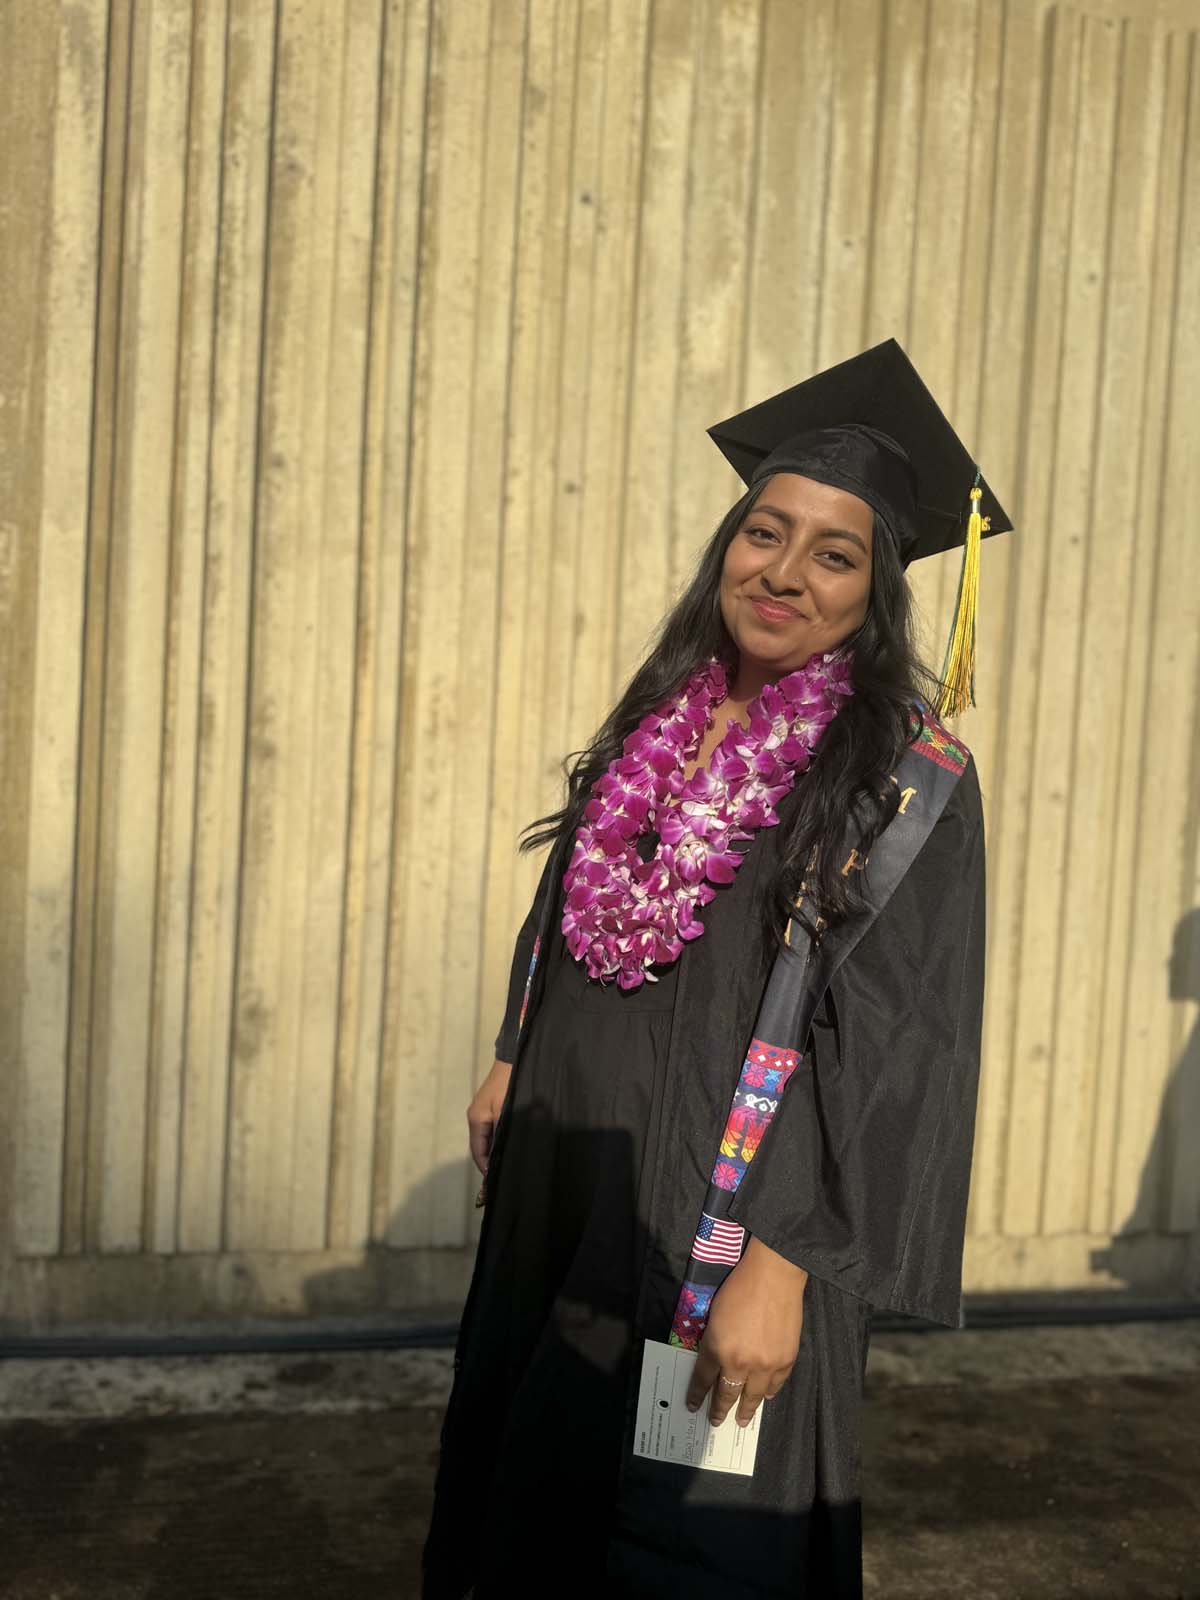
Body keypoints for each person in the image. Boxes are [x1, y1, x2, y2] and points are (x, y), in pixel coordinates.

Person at [420, 338, 1007, 1598]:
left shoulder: (900, 779)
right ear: (727, 543)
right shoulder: (664, 714)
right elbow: (568, 893)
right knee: (538, 1494)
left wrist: (780, 1264)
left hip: (724, 1219)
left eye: (833, 553)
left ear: (876, 589)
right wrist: (511, 1053)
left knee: (685, 1531)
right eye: (764, 531)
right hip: (571, 1179)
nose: (783, 571)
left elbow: (900, 1042)